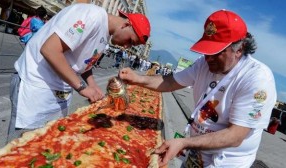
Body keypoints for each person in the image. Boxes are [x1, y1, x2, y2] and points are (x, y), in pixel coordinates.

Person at [118, 9, 276, 167]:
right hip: (195, 153)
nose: (209, 58)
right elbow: (171, 82)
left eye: (216, 52)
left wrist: (184, 143)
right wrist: (137, 79)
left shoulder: (257, 78)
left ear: (239, 50)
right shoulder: (203, 63)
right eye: (207, 51)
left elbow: (235, 135)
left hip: (225, 161)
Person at [8, 3, 150, 141]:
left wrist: (92, 85)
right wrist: (82, 88)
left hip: (59, 90)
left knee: (47, 144)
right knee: (20, 149)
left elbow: (84, 62)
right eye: (130, 41)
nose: (126, 46)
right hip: (36, 85)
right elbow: (50, 49)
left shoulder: (106, 33)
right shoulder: (90, 16)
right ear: (126, 25)